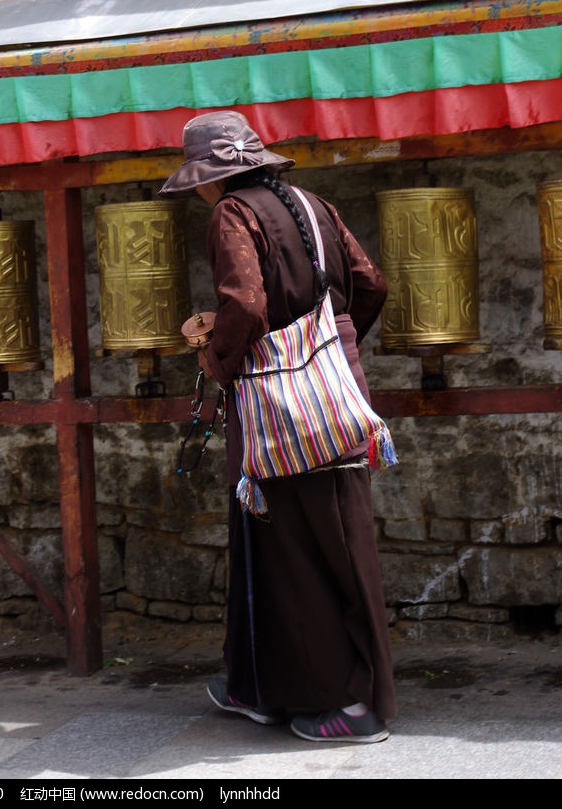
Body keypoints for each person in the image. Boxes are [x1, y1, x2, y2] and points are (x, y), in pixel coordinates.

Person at [160, 110, 396, 744]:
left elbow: (248, 305)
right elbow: (370, 284)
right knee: (318, 541)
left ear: (213, 177)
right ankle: (259, 687)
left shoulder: (231, 214)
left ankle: (350, 704)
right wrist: (330, 352)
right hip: (335, 398)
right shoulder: (313, 204)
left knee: (290, 547)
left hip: (276, 406)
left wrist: (217, 358)